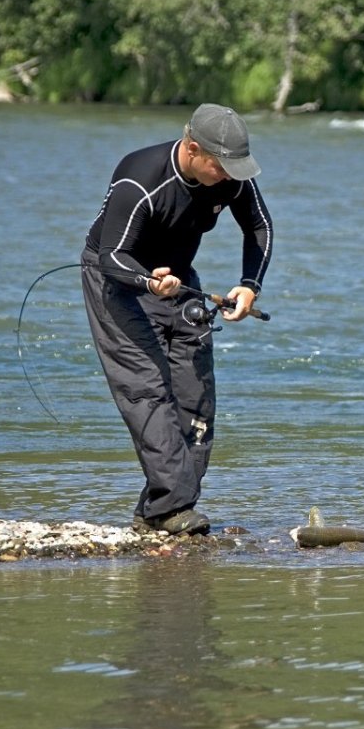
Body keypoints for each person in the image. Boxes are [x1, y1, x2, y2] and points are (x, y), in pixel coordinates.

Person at [80, 103, 273, 535]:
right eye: (221, 167)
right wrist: (148, 283)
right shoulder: (141, 178)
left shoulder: (232, 179)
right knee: (146, 388)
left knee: (195, 395)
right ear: (192, 148)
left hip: (181, 283)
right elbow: (112, 255)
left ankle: (160, 509)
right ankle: (171, 509)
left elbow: (259, 227)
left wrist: (249, 285)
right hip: (120, 280)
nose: (230, 177)